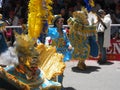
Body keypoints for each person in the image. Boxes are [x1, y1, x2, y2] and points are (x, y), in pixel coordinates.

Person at [45, 15, 73, 89]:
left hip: (62, 54)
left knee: (61, 71)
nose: (62, 23)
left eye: (62, 21)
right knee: (54, 71)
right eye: (60, 21)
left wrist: (69, 45)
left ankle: (60, 85)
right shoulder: (52, 30)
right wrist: (43, 19)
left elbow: (67, 41)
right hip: (54, 54)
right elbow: (44, 30)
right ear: (56, 23)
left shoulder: (64, 32)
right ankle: (54, 86)